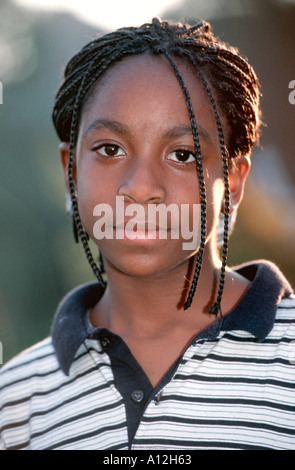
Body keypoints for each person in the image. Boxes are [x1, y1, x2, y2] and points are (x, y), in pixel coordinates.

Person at [0, 18, 294, 451]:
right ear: (70, 172)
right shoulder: (16, 401)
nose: (139, 187)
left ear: (232, 182)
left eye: (182, 154)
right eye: (110, 149)